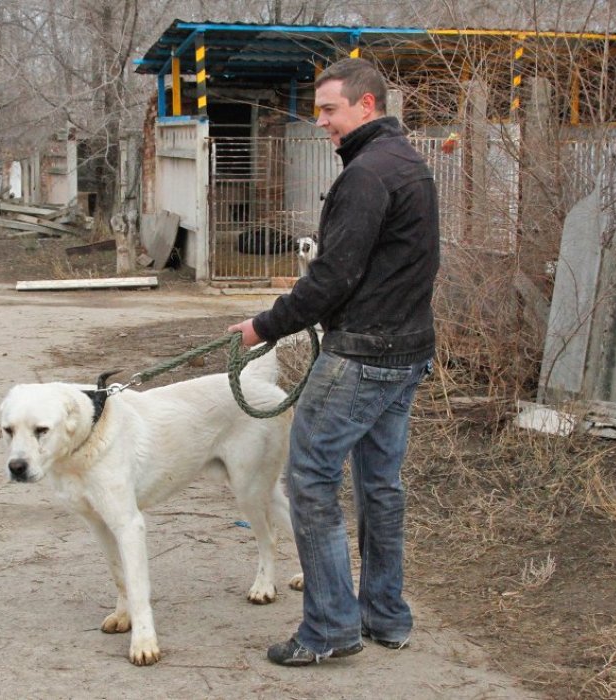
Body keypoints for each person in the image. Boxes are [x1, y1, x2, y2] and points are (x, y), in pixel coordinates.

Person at [227, 57, 440, 667]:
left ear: (366, 106)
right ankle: (386, 616)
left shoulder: (367, 175)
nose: (321, 122)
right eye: (318, 110)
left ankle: (328, 628)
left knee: (311, 480)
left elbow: (333, 276)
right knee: (378, 484)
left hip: (363, 355)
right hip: (406, 352)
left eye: (329, 110)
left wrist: (263, 326)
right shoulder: (409, 165)